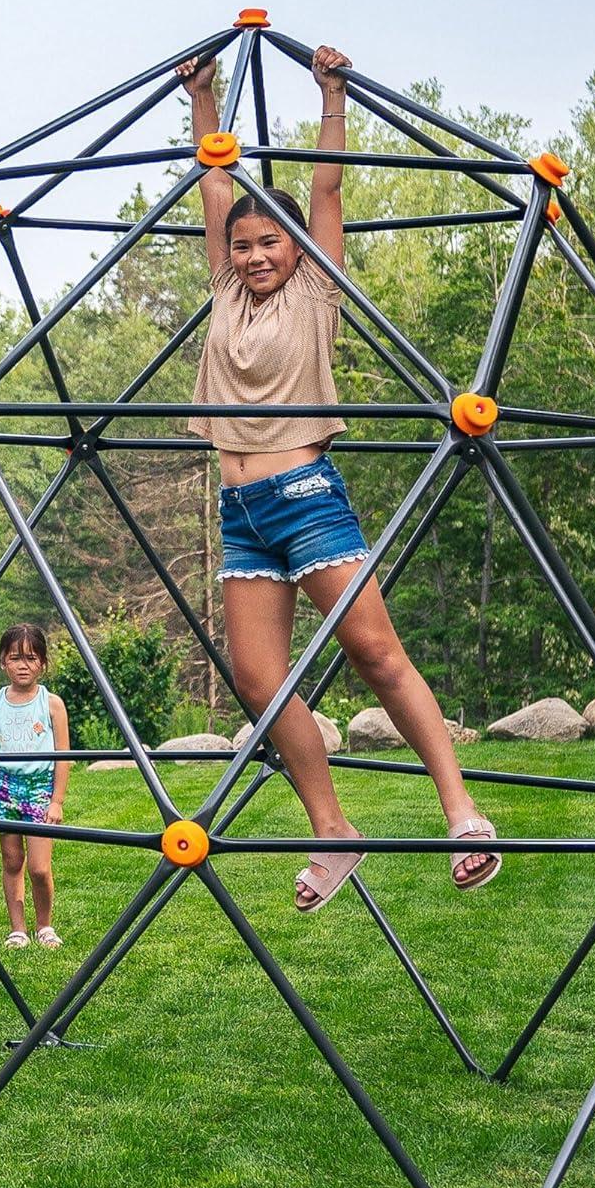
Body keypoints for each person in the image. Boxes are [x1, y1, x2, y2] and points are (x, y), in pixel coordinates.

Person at [176, 44, 501, 911]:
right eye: (241, 245)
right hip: (241, 509)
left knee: (375, 653)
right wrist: (204, 99)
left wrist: (331, 95)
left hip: (307, 499)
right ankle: (335, 832)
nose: (252, 255)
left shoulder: (316, 291)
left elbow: (326, 189)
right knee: (256, 678)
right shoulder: (225, 290)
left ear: (293, 248)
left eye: (267, 242)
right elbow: (215, 186)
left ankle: (462, 813)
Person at [0, 624, 71, 949]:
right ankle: (18, 929)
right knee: (12, 861)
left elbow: (63, 755)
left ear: (42, 663)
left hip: (40, 788)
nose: (23, 665)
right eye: (15, 658)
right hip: (4, 787)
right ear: (3, 661)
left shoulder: (52, 703)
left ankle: (44, 925)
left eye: (31, 658)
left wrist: (56, 801)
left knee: (40, 868)